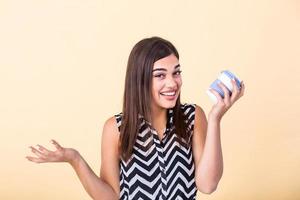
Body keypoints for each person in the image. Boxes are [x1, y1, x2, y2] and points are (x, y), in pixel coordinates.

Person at [26, 36, 245, 200]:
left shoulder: (192, 117)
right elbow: (111, 196)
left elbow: (207, 185)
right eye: (160, 75)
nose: (172, 83)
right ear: (139, 80)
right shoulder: (116, 128)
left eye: (176, 72)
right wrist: (75, 159)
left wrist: (215, 118)